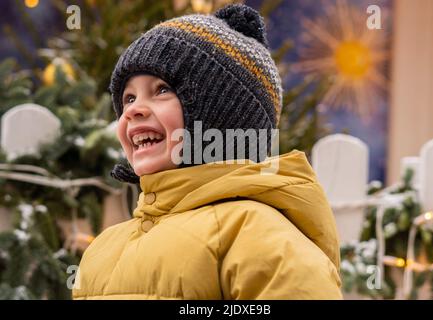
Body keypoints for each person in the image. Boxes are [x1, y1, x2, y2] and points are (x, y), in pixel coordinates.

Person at [72, 3, 342, 300]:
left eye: (161, 89)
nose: (134, 109)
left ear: (221, 114)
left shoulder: (256, 235)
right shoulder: (104, 247)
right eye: (128, 97)